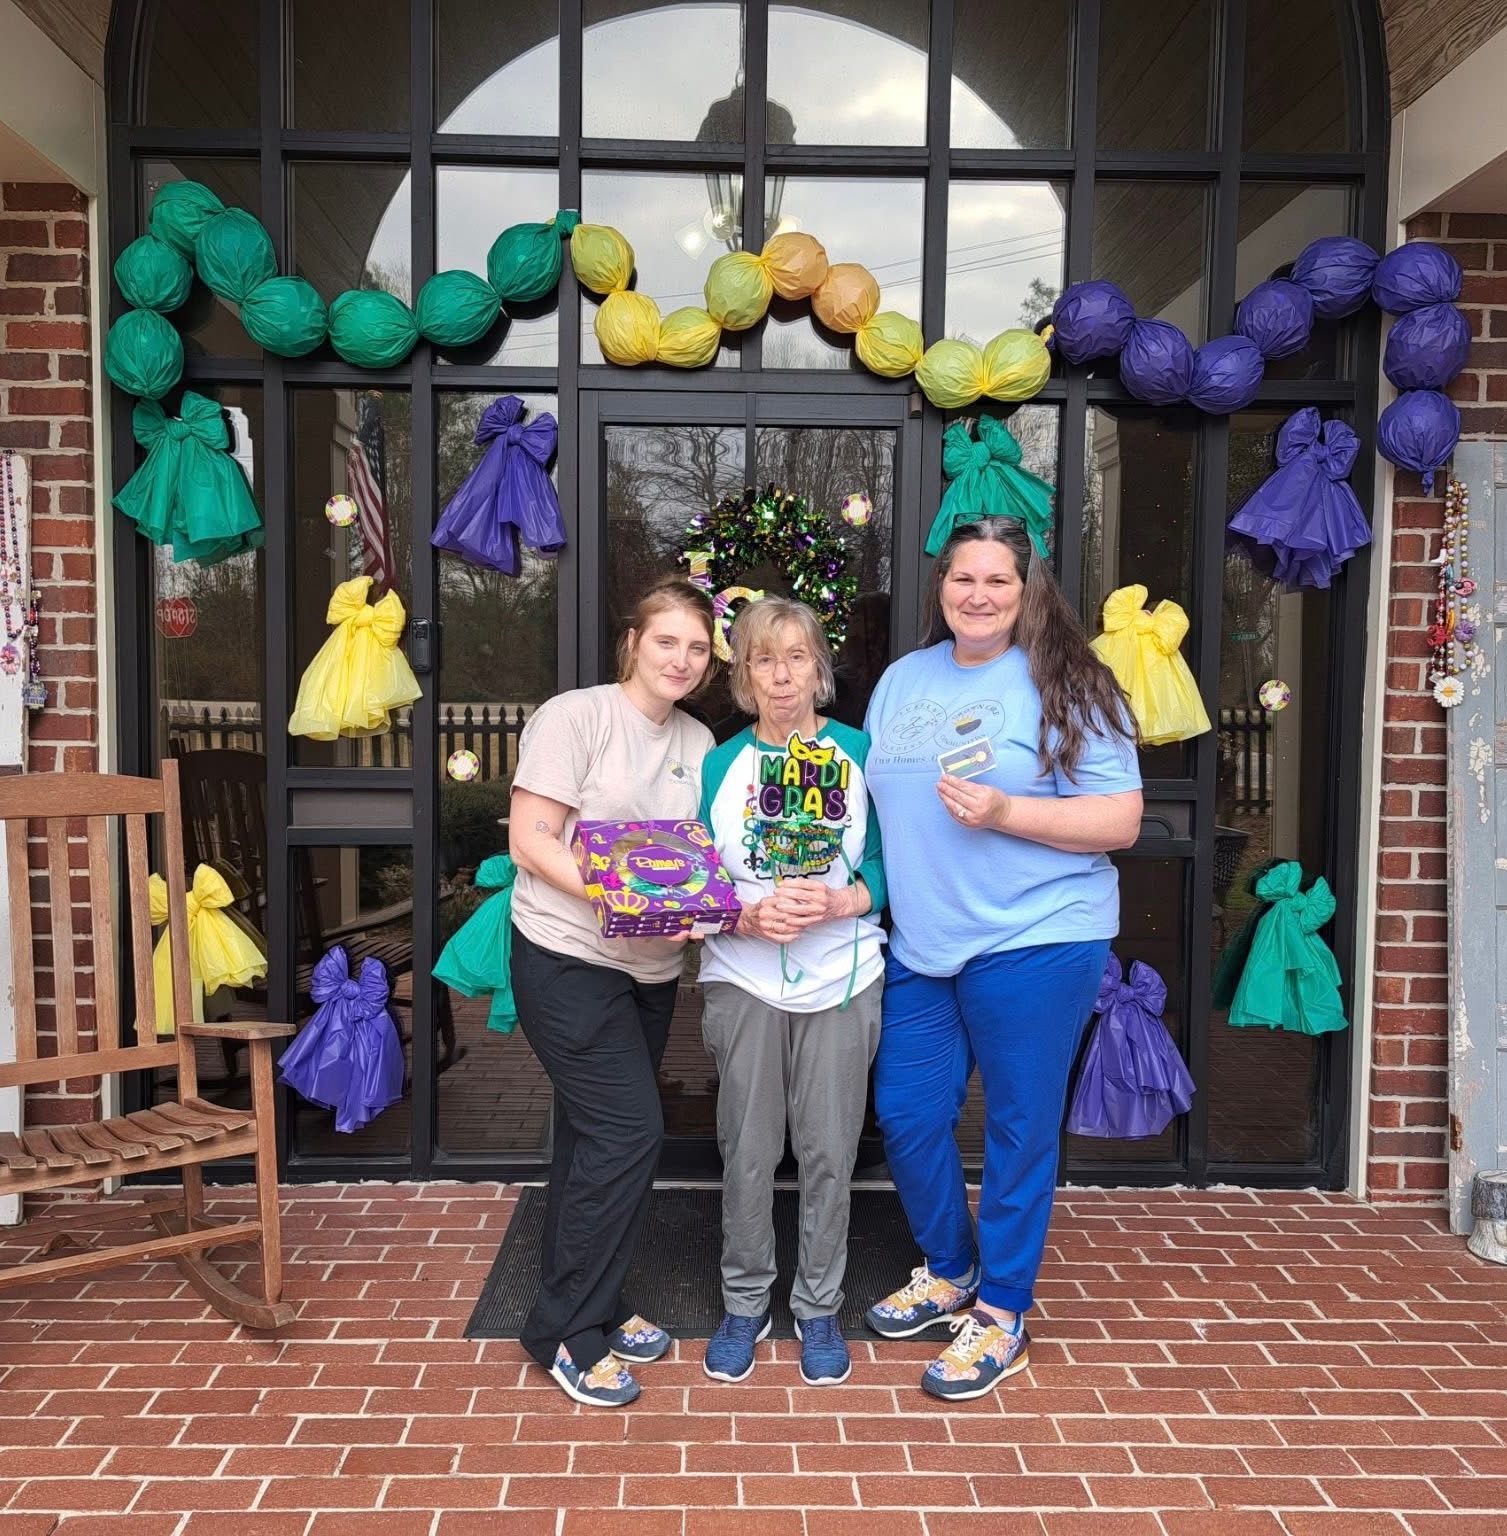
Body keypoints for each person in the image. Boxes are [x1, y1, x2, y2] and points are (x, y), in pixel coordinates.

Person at [862, 517, 1144, 1402]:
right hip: (923, 942)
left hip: (1037, 935)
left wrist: (1005, 813)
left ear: (1028, 591)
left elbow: (1119, 820)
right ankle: (949, 1268)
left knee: (1019, 1128)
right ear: (939, 586)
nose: (976, 595)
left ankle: (1003, 1310)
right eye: (962, 579)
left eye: (997, 581)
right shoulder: (903, 679)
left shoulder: (1070, 680)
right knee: (907, 1114)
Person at [506, 577, 717, 1407]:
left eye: (697, 647)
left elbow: (698, 860)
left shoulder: (699, 741)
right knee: (631, 1129)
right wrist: (629, 899)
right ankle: (565, 1330)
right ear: (633, 641)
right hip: (565, 958)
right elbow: (532, 840)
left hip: (650, 973)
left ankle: (596, 1294)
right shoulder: (577, 716)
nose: (682, 658)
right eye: (667, 640)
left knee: (594, 1140)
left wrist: (696, 910)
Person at [695, 598, 887, 1387]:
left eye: (797, 656)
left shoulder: (860, 752)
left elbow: (891, 864)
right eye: (763, 660)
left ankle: (817, 1306)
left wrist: (848, 898)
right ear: (742, 675)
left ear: (819, 667)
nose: (782, 675)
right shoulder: (717, 763)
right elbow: (692, 876)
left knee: (828, 1150)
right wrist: (743, 914)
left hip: (844, 970)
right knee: (746, 1148)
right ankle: (744, 1302)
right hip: (743, 973)